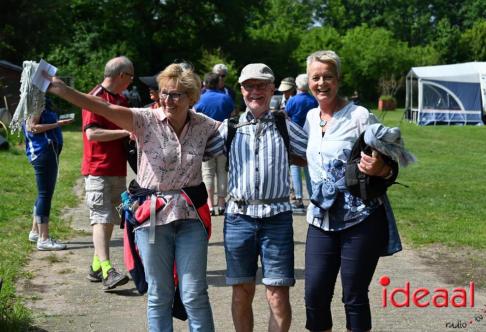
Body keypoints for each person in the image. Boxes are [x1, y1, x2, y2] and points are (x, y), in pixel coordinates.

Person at [46, 63, 217, 332]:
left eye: (176, 95)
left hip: (190, 219)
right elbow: (104, 108)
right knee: (159, 294)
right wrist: (62, 89)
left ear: (191, 97)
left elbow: (238, 136)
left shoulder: (204, 125)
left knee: (195, 293)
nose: (168, 100)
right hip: (152, 219)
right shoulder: (144, 120)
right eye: (164, 93)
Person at [303, 50, 402, 332]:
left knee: (354, 297)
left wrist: (379, 168)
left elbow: (392, 163)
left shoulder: (359, 115)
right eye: (316, 77)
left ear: (339, 80)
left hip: (360, 220)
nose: (322, 83)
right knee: (314, 296)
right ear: (309, 80)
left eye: (328, 77)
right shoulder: (311, 117)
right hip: (320, 219)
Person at [205, 63, 308, 332]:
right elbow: (197, 150)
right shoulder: (230, 127)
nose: (255, 91)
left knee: (277, 293)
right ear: (241, 90)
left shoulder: (284, 124)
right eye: (249, 86)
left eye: (261, 85)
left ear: (272, 88)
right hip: (239, 219)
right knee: (242, 291)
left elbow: (317, 154)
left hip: (277, 219)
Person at [82, 56, 132, 291]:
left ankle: (95, 267)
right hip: (98, 169)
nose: (130, 83)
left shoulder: (120, 99)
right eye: (130, 78)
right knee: (101, 217)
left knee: (110, 218)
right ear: (122, 75)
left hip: (116, 168)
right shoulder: (94, 99)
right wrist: (124, 132)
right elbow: (92, 134)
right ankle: (107, 270)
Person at [23, 97, 73, 251]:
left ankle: (35, 232)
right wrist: (58, 124)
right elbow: (33, 127)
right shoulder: (36, 101)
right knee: (45, 195)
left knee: (43, 193)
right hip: (44, 152)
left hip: (46, 151)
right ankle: (44, 239)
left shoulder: (39, 100)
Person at [193, 72, 234, 215]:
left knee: (208, 173)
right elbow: (231, 114)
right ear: (218, 83)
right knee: (222, 171)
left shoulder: (200, 99)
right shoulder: (226, 98)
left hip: (206, 140)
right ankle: (222, 204)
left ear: (204, 84)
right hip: (224, 138)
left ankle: (210, 204)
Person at [285, 74, 318, 213]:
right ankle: (313, 197)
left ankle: (298, 198)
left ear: (297, 86)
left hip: (294, 137)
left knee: (295, 168)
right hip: (311, 137)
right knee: (309, 168)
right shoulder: (313, 100)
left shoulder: (292, 101)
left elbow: (286, 117)